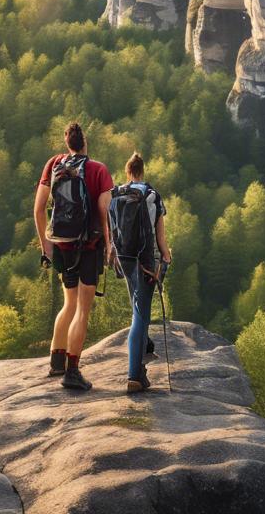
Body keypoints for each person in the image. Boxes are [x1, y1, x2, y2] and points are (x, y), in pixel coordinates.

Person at [34, 122, 114, 390]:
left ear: (67, 142)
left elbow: (39, 208)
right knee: (83, 309)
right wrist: (110, 245)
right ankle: (72, 371)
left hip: (61, 244)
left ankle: (56, 363)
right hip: (88, 247)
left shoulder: (54, 164)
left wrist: (46, 247)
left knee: (69, 302)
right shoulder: (98, 170)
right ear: (85, 142)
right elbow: (105, 211)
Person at [112, 152, 171, 393]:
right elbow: (160, 236)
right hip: (145, 260)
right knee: (140, 314)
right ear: (142, 171)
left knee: (137, 304)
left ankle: (144, 350)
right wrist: (166, 256)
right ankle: (134, 375)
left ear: (127, 171)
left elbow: (112, 229)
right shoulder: (152, 195)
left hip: (124, 258)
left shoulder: (116, 194)